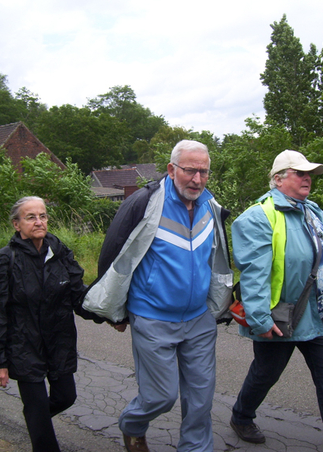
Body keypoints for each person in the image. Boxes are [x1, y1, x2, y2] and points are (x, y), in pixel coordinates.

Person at [83, 140, 233, 452]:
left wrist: (219, 304)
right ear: (171, 169)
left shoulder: (210, 206)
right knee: (160, 396)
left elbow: (218, 258)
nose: (197, 179)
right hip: (153, 317)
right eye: (190, 171)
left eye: (203, 172)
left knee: (201, 398)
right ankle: (133, 425)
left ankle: (195, 447)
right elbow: (117, 257)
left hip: (198, 319)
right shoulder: (146, 203)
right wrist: (116, 312)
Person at [229, 150, 323, 452]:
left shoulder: (310, 210)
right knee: (266, 373)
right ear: (278, 179)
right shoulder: (258, 217)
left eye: (309, 173)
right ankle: (241, 416)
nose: (307, 178)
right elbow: (254, 273)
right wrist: (260, 319)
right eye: (299, 173)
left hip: (317, 308)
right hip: (281, 314)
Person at [0, 196, 87, 452]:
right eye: (31, 217)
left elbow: (78, 295)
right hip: (23, 347)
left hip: (59, 343)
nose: (39, 222)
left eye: (43, 216)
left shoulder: (60, 253)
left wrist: (111, 316)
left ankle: (36, 420)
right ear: (17, 225)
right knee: (37, 409)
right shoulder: (5, 261)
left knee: (65, 397)